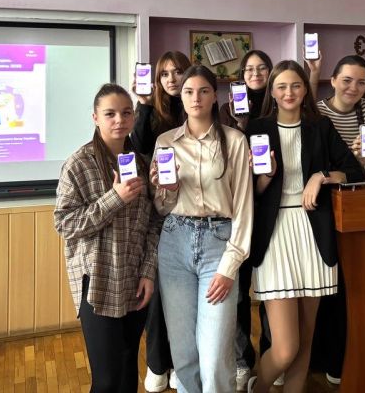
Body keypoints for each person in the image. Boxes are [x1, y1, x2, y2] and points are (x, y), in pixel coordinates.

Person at [245, 60, 363, 393]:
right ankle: (258, 388)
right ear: (272, 91)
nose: (289, 92)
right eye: (281, 86)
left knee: (306, 338)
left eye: (296, 85)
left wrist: (321, 176)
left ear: (304, 90)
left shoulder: (320, 126)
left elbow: (354, 171)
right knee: (286, 347)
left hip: (313, 233)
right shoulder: (256, 129)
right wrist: (265, 177)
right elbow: (247, 193)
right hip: (274, 234)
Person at [151, 65, 253, 393]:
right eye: (189, 92)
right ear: (180, 97)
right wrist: (166, 189)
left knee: (215, 357)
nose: (196, 98)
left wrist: (230, 265)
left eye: (203, 91)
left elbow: (244, 208)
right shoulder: (166, 142)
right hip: (174, 242)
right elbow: (161, 208)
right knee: (184, 354)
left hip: (218, 243)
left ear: (214, 96)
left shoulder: (234, 141)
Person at [54, 83, 162, 393]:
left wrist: (148, 272)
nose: (119, 120)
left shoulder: (141, 163)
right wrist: (114, 198)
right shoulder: (79, 163)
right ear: (95, 118)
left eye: (126, 113)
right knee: (107, 380)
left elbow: (153, 224)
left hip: (134, 281)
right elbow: (64, 223)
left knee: (128, 374)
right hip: (97, 282)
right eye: (110, 114)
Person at [310, 54, 365, 383]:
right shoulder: (317, 112)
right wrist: (350, 166)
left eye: (361, 82)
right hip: (321, 214)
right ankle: (318, 359)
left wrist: (351, 168)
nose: (353, 88)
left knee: (354, 290)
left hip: (363, 215)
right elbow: (314, 168)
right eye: (346, 80)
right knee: (323, 288)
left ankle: (342, 361)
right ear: (332, 80)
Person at [131, 50, 191, 392]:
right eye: (165, 74)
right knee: (155, 293)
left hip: (193, 211)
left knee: (184, 297)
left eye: (178, 71)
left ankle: (183, 363)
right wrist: (142, 105)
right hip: (157, 210)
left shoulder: (198, 108)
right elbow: (136, 148)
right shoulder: (150, 112)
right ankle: (156, 363)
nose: (172, 79)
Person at [218, 49, 274, 390]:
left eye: (262, 68)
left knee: (271, 289)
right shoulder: (226, 111)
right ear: (241, 75)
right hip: (236, 211)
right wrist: (240, 125)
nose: (255, 73)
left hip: (270, 208)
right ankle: (242, 361)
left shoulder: (277, 105)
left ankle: (271, 355)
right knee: (238, 294)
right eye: (249, 69)